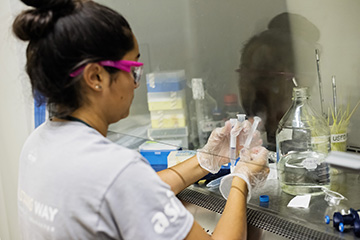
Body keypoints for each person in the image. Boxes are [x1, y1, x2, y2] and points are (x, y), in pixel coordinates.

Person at [13, 0, 269, 239]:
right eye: (132, 69)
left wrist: (205, 160)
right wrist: (242, 180)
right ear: (96, 77)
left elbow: (133, 193)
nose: (136, 84)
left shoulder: (38, 143)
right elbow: (127, 186)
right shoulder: (115, 169)